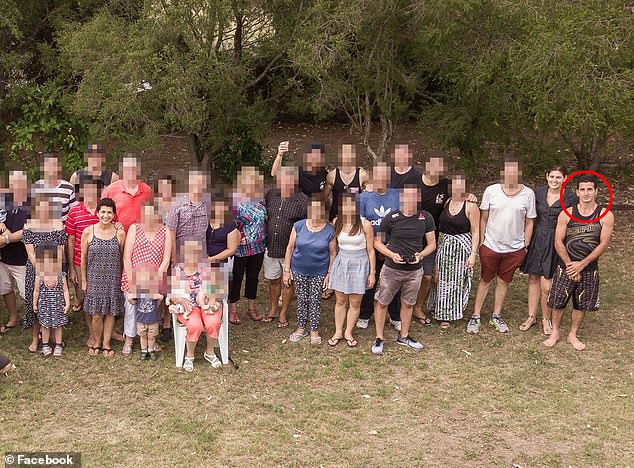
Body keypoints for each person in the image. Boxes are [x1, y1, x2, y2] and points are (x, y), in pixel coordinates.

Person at [544, 174, 614, 351]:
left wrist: (582, 265)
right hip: (565, 267)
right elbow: (558, 241)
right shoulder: (566, 213)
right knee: (558, 301)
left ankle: (572, 334)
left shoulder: (605, 215)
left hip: (589, 268)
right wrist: (569, 264)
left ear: (596, 191)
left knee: (580, 303)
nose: (586, 193)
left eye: (590, 189)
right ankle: (555, 332)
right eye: (582, 189)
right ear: (577, 191)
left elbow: (603, 243)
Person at [468, 156, 536, 334]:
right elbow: (483, 217)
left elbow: (530, 221)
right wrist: (482, 241)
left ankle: (496, 315)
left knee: (503, 282)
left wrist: (525, 245)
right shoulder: (491, 191)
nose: (511, 175)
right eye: (507, 171)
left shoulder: (528, 194)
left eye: (514, 172)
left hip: (514, 248)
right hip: (490, 245)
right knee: (485, 280)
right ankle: (475, 316)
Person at [413, 151, 478, 325]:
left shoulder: (445, 185)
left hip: (432, 239)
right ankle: (398, 308)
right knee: (405, 274)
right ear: (425, 166)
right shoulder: (413, 183)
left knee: (429, 277)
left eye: (439, 166)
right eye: (432, 165)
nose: (435, 169)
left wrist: (470, 195)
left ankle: (418, 308)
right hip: (410, 235)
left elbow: (461, 190)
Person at [371, 185, 436, 354]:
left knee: (408, 304)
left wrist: (421, 255)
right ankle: (379, 338)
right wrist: (391, 255)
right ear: (402, 198)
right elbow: (377, 242)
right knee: (382, 302)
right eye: (408, 196)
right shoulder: (391, 217)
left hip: (414, 271)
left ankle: (404, 336)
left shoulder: (425, 217)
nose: (411, 200)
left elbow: (432, 244)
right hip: (392, 269)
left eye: (415, 197)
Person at [519, 166, 578, 334]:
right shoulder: (537, 193)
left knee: (547, 284)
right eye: (552, 176)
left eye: (558, 177)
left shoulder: (570, 198)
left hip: (556, 240)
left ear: (564, 178)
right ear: (547, 176)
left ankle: (546, 318)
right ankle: (531, 316)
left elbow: (572, 221)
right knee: (533, 278)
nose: (554, 180)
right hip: (537, 238)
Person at [283, 196, 336, 345]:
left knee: (315, 301)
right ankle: (301, 327)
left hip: (319, 271)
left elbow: (333, 253)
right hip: (299, 269)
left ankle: (314, 329)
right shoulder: (298, 226)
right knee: (302, 299)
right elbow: (290, 248)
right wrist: (287, 270)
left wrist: (329, 274)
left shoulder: (329, 231)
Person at [429, 173, 480, 328]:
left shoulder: (471, 206)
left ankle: (450, 314)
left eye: (461, 185)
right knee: (439, 279)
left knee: (455, 282)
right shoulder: (448, 202)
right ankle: (437, 308)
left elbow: (476, 231)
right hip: (444, 246)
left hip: (461, 249)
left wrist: (473, 254)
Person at [121, 202, 171, 356]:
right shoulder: (134, 229)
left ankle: (151, 339)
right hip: (134, 276)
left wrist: (154, 282)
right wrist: (131, 282)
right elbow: (127, 257)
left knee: (152, 309)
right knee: (131, 307)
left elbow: (166, 260)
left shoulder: (165, 231)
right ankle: (129, 339)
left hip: (155, 279)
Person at [358, 161, 402, 331]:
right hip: (369, 245)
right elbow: (361, 222)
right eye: (377, 175)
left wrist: (389, 245)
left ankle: (395, 315)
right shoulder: (364, 197)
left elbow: (401, 220)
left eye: (384, 175)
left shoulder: (396, 195)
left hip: (392, 246)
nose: (380, 179)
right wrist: (375, 244)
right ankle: (364, 314)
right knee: (370, 280)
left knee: (393, 281)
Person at [327, 193, 375, 347]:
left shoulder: (365, 224)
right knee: (340, 301)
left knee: (355, 303)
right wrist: (330, 270)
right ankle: (338, 331)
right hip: (341, 263)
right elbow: (333, 249)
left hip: (360, 264)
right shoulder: (336, 222)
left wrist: (372, 272)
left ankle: (348, 332)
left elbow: (371, 250)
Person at [168, 240, 223, 372]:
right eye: (188, 253)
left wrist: (211, 301)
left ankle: (209, 353)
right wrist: (179, 300)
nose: (191, 257)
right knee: (195, 325)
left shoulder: (206, 268)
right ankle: (189, 355)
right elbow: (171, 294)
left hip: (205, 302)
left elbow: (215, 290)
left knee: (213, 321)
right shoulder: (177, 270)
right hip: (187, 306)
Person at [263, 166, 307, 327]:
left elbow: (306, 226)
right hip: (271, 248)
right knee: (273, 280)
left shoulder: (302, 200)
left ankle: (283, 313)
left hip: (291, 250)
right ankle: (273, 308)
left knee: (287, 282)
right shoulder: (271, 194)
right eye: (281, 180)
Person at [81, 198, 126, 357]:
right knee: (96, 314)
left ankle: (106, 343)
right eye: (103, 212)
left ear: (114, 214)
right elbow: (83, 258)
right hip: (94, 279)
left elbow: (122, 258)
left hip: (113, 278)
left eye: (109, 212)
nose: (106, 215)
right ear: (97, 213)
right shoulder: (88, 231)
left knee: (110, 313)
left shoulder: (120, 232)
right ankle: (97, 341)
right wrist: (84, 281)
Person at [23, 197, 68, 353]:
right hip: (35, 272)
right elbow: (31, 254)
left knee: (55, 304)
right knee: (36, 305)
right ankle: (36, 339)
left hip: (56, 272)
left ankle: (56, 340)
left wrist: (53, 274)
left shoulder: (58, 225)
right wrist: (44, 275)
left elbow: (61, 252)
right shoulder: (28, 226)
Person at [65, 175, 102, 346]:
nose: (90, 192)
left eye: (93, 189)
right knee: (86, 297)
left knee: (102, 297)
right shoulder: (74, 212)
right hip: (81, 262)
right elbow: (70, 241)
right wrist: (72, 268)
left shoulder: (105, 210)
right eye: (87, 189)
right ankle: (92, 333)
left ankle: (104, 331)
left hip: (103, 263)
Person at [228, 167, 267, 324]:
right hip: (240, 249)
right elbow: (230, 226)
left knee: (253, 278)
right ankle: (233, 310)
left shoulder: (261, 200)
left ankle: (251, 307)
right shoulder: (235, 201)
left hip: (258, 248)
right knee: (236, 279)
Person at [0, 171, 29, 334]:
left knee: (27, 293)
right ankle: (13, 317)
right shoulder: (4, 205)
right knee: (5, 288)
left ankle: (34, 320)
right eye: (14, 184)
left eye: (20, 183)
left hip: (22, 259)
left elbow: (27, 231)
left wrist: (6, 239)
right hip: (4, 258)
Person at [33, 244, 70, 357]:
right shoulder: (39, 277)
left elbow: (65, 291)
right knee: (45, 326)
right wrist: (34, 304)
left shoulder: (61, 276)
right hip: (45, 307)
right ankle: (45, 345)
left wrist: (67, 303)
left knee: (58, 326)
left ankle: (58, 345)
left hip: (58, 307)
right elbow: (36, 291)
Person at [166, 168, 209, 262]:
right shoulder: (177, 204)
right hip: (181, 253)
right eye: (195, 182)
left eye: (201, 182)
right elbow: (170, 233)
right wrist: (174, 257)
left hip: (200, 254)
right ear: (189, 183)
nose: (198, 185)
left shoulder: (208, 205)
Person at [101, 155, 153, 231]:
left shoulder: (147, 190)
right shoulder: (110, 190)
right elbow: (101, 214)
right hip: (117, 235)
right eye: (127, 169)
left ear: (138, 170)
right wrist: (112, 224)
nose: (131, 171)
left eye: (133, 168)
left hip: (140, 237)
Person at [323, 143, 369, 221]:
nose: (347, 156)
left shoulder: (362, 175)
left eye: (350, 153)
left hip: (355, 217)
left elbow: (370, 196)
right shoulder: (332, 175)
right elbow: (324, 197)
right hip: (336, 217)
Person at [127, 264, 164, 361]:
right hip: (141, 319)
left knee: (151, 336)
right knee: (142, 335)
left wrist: (158, 297)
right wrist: (130, 297)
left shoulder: (154, 290)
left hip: (153, 319)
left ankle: (151, 350)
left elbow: (160, 298)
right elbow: (132, 301)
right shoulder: (138, 291)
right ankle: (144, 350)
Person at [31, 153, 77, 223]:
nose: (51, 169)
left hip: (63, 230)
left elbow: (75, 212)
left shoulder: (69, 188)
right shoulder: (35, 188)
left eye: (54, 166)